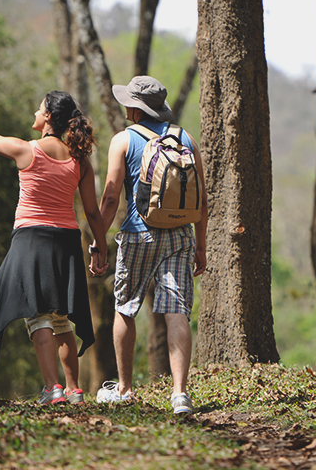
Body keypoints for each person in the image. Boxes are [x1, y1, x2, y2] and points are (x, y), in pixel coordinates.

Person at [0, 91, 109, 405]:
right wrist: (100, 248)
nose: (35, 113)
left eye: (39, 109)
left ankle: (52, 389)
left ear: (48, 117)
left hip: (31, 240)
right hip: (66, 242)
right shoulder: (80, 161)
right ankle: (74, 389)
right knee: (61, 318)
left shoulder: (27, 150)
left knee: (37, 316)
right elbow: (93, 213)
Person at [90, 76, 207, 415]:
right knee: (177, 309)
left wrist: (99, 242)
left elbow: (110, 197)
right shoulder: (186, 139)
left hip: (138, 235)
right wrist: (200, 246)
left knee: (125, 307)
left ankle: (125, 389)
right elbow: (201, 200)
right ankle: (180, 394)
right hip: (181, 235)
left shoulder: (123, 140)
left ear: (135, 109)